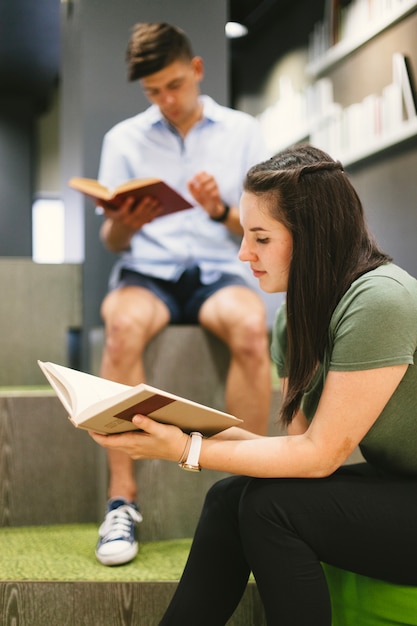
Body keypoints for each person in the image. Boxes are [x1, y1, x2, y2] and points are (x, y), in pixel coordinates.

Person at [91, 144, 417, 625]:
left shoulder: (380, 301)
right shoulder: (294, 316)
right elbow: (298, 450)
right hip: (399, 487)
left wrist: (186, 450)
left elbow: (319, 457)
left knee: (270, 507)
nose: (244, 254)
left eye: (260, 238)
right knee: (231, 496)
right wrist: (171, 422)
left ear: (310, 236)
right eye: (245, 236)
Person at [94, 22, 272, 566]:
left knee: (249, 327)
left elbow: (261, 227)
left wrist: (221, 209)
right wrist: (127, 220)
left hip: (221, 269)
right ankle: (121, 502)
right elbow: (112, 240)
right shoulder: (123, 139)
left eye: (173, 85)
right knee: (120, 328)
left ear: (195, 70)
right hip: (148, 271)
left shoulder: (243, 131)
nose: (166, 100)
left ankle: (251, 491)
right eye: (153, 92)